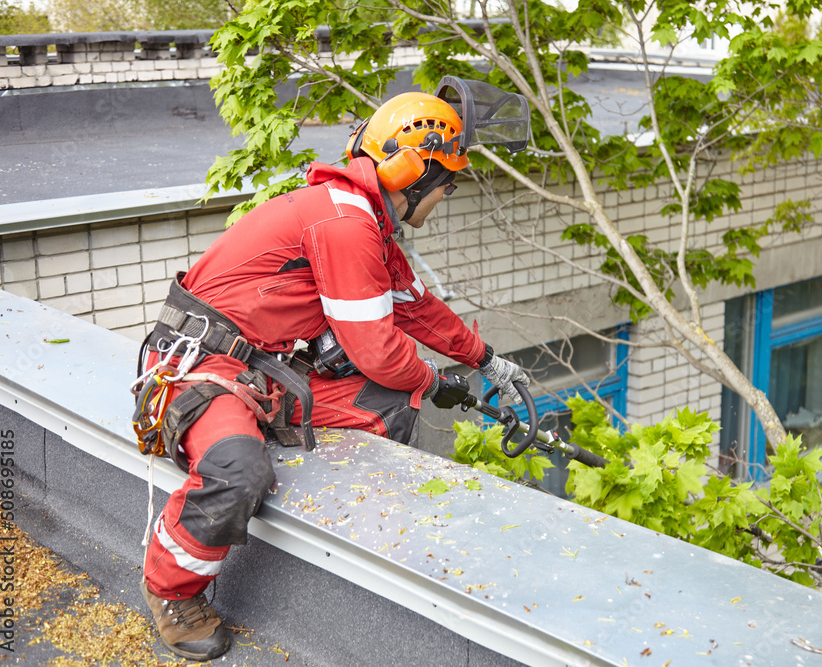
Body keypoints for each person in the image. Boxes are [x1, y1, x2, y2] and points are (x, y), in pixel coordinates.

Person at [133, 78, 532, 660]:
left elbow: (416, 308)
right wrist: (433, 379)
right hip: (198, 370)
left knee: (386, 404)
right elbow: (375, 349)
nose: (445, 199)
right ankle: (171, 592)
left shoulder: (364, 218)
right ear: (414, 176)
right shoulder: (346, 225)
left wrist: (485, 359)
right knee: (237, 468)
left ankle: (368, 536)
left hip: (261, 370)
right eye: (446, 184)